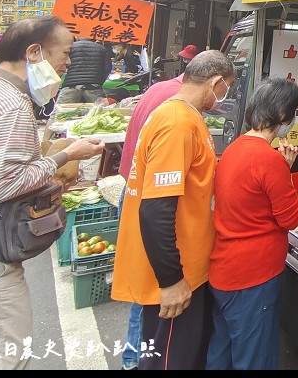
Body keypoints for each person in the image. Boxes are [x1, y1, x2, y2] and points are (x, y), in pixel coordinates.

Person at [0, 16, 105, 369]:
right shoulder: (11, 105)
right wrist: (65, 155)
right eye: (66, 53)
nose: (68, 63)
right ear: (34, 52)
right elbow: (0, 185)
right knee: (1, 355)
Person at [110, 50, 235, 370]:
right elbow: (155, 210)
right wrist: (171, 280)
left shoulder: (183, 115)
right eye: (227, 87)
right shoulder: (177, 124)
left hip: (188, 270)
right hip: (175, 278)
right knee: (168, 362)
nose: (226, 95)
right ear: (216, 82)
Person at [207, 77, 298, 370]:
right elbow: (291, 218)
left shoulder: (235, 148)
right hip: (253, 278)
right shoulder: (268, 159)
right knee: (254, 358)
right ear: (283, 116)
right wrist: (285, 170)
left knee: (221, 349)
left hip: (224, 270)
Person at [113, 57, 189, 371]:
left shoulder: (158, 90)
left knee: (142, 281)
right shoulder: (178, 110)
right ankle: (135, 358)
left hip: (132, 186)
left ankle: (134, 355)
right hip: (149, 195)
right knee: (151, 286)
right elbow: (158, 207)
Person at [58, 38, 113, 103]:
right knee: (98, 111)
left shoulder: (70, 47)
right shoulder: (101, 48)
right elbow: (107, 68)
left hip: (71, 86)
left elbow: (60, 63)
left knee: (62, 110)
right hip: (93, 87)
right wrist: (98, 82)